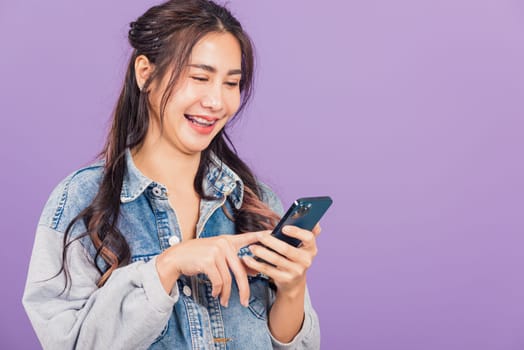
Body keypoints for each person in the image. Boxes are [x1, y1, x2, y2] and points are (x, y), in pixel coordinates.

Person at [22, 0, 321, 349]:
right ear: (145, 73)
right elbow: (69, 344)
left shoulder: (254, 202)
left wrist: (292, 287)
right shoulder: (81, 201)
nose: (216, 102)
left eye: (231, 83)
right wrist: (168, 267)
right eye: (199, 77)